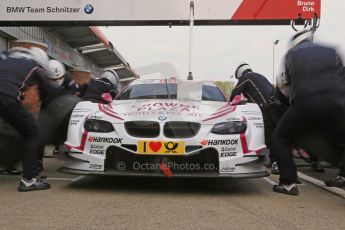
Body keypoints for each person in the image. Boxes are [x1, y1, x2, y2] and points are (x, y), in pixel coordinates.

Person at [272, 28, 345, 195]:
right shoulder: (332, 50)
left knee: (280, 138)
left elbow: (283, 86)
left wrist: (289, 107)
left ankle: (288, 183)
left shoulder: (290, 55)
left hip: (306, 101)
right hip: (337, 102)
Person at [0, 46, 52, 191]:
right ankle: (29, 180)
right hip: (6, 98)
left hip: (6, 97)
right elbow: (49, 91)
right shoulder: (34, 66)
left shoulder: (4, 57)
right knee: (32, 132)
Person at [230, 63, 280, 171]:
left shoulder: (245, 77)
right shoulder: (260, 76)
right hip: (276, 106)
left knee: (268, 135)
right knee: (274, 134)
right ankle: (275, 161)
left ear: (239, 74)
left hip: (265, 108)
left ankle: (276, 162)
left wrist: (230, 104)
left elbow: (236, 93)